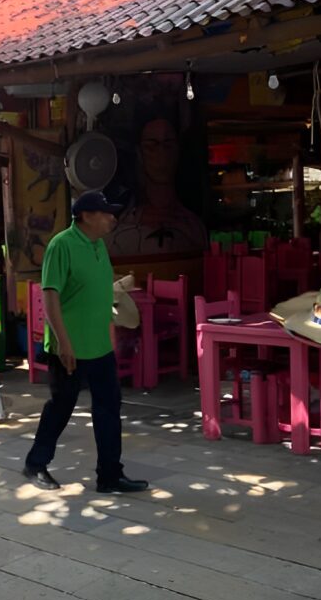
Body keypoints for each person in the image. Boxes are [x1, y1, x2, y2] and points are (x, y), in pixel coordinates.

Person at [23, 191, 149, 494]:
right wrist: (65, 343)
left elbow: (102, 296)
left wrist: (110, 337)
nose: (112, 218)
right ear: (87, 215)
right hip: (69, 348)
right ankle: (36, 464)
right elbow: (50, 296)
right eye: (107, 213)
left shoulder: (98, 246)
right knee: (62, 406)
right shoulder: (61, 245)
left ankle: (110, 475)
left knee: (109, 407)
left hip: (100, 347)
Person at [107, 119, 208, 257]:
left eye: (168, 144)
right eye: (151, 145)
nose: (162, 154)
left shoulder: (194, 229)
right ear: (139, 153)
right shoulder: (120, 232)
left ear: (178, 150)